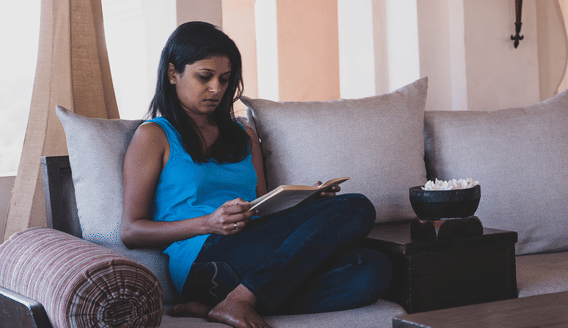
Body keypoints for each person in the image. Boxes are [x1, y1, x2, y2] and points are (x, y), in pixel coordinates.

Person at [121, 21, 391, 328]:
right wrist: (208, 222)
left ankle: (219, 304)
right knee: (357, 206)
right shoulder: (154, 135)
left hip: (253, 253)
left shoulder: (243, 135)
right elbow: (132, 231)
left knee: (372, 269)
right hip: (204, 260)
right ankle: (240, 300)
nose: (216, 89)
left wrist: (309, 202)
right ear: (172, 73)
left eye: (224, 80)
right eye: (204, 77)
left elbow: (263, 208)